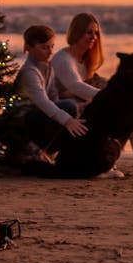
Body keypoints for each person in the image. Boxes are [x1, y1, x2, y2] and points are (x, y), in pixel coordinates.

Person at [12, 24, 87, 161]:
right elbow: (43, 102)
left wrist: (77, 108)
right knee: (68, 107)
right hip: (23, 122)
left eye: (52, 46)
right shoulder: (30, 72)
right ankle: (33, 148)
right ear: (28, 48)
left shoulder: (48, 67)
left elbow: (53, 96)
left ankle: (52, 150)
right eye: (44, 47)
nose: (50, 51)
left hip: (38, 115)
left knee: (72, 106)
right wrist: (68, 120)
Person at [52, 12, 107, 109]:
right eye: (89, 32)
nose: (94, 37)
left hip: (75, 101)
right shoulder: (63, 59)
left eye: (96, 33)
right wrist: (111, 95)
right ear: (77, 33)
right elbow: (76, 86)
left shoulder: (85, 59)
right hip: (59, 106)